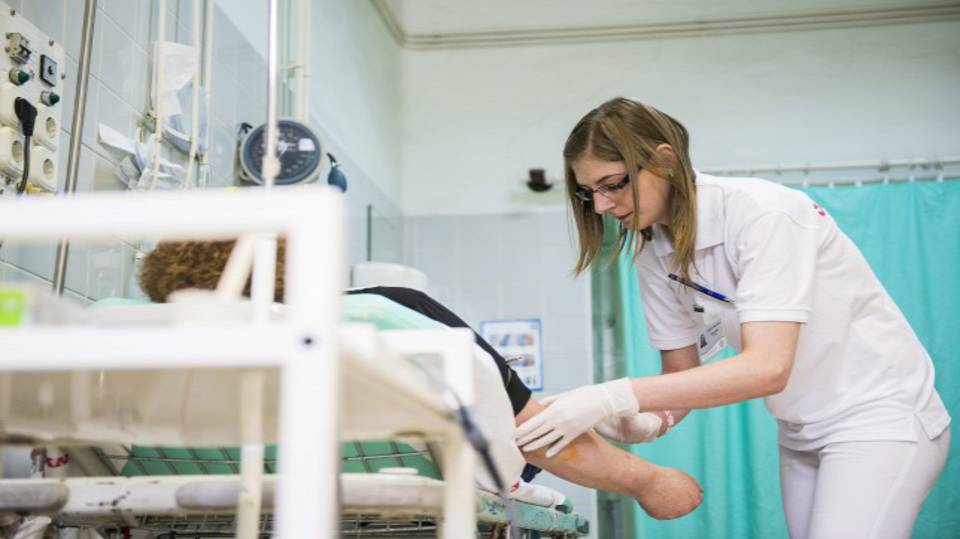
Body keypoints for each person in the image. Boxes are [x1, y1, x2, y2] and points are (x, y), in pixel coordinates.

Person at [515, 97, 952, 537]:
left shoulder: (765, 214)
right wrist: (651, 419)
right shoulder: (653, 250)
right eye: (588, 192)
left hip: (879, 416)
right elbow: (680, 373)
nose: (600, 206)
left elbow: (768, 368)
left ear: (665, 160)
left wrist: (611, 396)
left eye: (612, 184)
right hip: (800, 431)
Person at [138, 240, 704, 519]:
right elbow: (530, 434)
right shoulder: (384, 309)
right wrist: (648, 482)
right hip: (417, 480)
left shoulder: (153, 358)